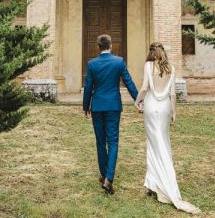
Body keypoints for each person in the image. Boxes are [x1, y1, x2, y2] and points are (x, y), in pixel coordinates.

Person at [135, 42, 200, 214]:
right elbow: (172, 94)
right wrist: (174, 113)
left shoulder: (148, 66)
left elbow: (144, 88)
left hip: (150, 107)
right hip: (164, 108)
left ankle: (159, 184)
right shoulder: (171, 68)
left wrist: (136, 102)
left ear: (151, 53)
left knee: (153, 144)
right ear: (162, 52)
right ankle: (153, 183)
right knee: (162, 142)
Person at [83, 34, 138, 195]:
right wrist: (138, 100)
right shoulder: (119, 62)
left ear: (98, 47)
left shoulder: (92, 64)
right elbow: (129, 82)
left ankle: (104, 174)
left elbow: (88, 87)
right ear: (111, 46)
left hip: (97, 106)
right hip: (113, 106)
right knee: (113, 141)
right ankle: (109, 178)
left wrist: (86, 106)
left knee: (100, 141)